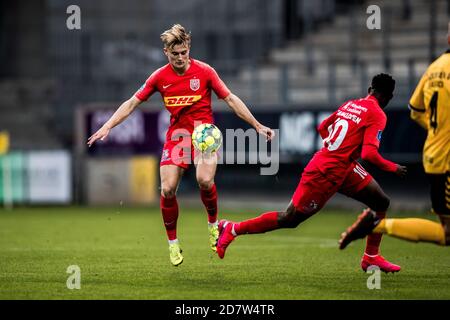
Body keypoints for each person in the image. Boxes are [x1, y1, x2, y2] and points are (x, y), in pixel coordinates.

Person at [87, 24, 274, 266]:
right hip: (178, 136)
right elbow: (132, 102)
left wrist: (257, 125)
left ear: (189, 49)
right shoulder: (159, 77)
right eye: (174, 54)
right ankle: (173, 244)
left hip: (203, 132)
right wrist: (108, 125)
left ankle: (213, 226)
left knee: (205, 180)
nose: (180, 58)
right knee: (167, 189)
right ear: (166, 52)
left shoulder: (205, 72)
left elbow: (230, 99)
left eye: (183, 52)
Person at [215, 73, 407, 273]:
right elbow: (369, 154)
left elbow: (323, 127)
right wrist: (393, 167)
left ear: (370, 90)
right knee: (289, 219)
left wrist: (333, 149)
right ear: (388, 98)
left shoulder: (351, 104)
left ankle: (371, 257)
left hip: (343, 166)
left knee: (380, 202)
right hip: (325, 173)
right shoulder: (378, 113)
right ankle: (233, 228)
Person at [339, 24, 450, 248]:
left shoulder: (434, 68)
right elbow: (369, 153)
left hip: (433, 155)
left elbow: (416, 110)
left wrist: (437, 131)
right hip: (447, 159)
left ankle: (375, 227)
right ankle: (376, 225)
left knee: (446, 232)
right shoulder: (376, 114)